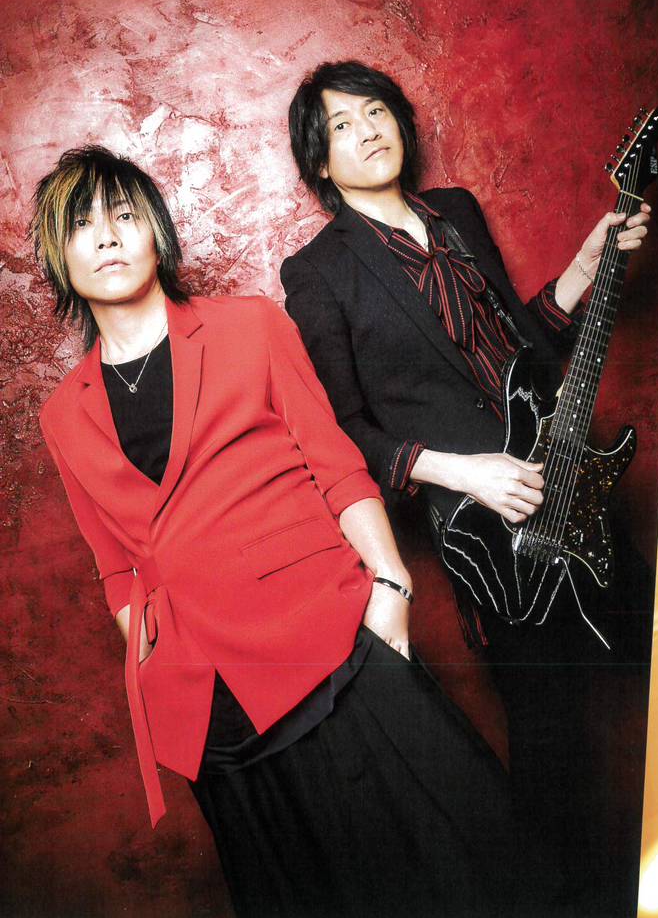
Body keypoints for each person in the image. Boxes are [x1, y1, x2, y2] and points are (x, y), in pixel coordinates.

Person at [30, 145, 516, 918]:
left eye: (124, 215)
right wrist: (156, 661)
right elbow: (114, 564)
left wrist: (391, 587)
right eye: (82, 225)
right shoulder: (63, 413)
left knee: (456, 870)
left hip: (331, 649)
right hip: (213, 713)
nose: (108, 236)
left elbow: (337, 466)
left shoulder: (249, 325)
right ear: (59, 256)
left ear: (157, 231)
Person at [281, 60, 653, 916]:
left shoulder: (457, 211)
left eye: (376, 111)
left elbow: (522, 349)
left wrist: (584, 265)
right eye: (342, 126)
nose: (368, 131)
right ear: (320, 161)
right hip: (486, 536)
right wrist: (463, 472)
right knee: (553, 744)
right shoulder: (319, 271)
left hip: (569, 483)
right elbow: (341, 431)